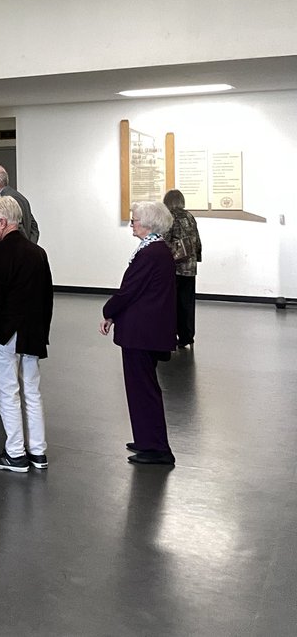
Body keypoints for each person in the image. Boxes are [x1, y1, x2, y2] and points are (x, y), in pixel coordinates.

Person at [0, 196, 54, 474]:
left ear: (2, 221)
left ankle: (15, 453)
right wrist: (42, 331)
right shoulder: (38, 252)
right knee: (32, 392)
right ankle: (38, 451)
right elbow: (47, 297)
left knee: (8, 393)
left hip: (4, 334)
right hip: (32, 333)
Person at [100, 200, 177, 465]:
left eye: (133, 220)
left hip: (142, 333)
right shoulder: (155, 250)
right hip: (147, 331)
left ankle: (156, 447)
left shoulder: (150, 253)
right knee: (142, 387)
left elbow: (129, 290)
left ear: (146, 224)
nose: (131, 224)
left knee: (143, 389)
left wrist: (108, 310)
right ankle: (147, 439)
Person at [163, 189, 202, 347]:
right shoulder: (189, 216)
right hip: (190, 268)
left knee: (172, 303)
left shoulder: (170, 217)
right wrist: (195, 259)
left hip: (175, 267)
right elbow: (197, 240)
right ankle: (188, 336)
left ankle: (171, 336)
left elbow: (165, 241)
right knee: (188, 303)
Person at [0, 165, 39, 244]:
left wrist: (25, 248)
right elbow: (34, 227)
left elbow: (18, 226)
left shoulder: (7, 200)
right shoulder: (18, 196)